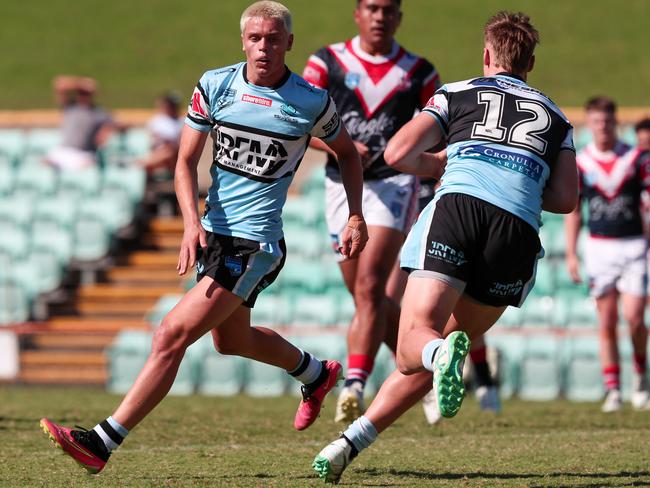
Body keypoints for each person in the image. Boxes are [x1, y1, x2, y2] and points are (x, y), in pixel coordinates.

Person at [39, 1, 368, 475]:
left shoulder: (310, 101)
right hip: (213, 235)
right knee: (230, 342)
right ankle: (316, 374)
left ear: (289, 43)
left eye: (274, 38)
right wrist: (191, 223)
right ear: (243, 41)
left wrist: (355, 215)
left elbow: (349, 154)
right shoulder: (215, 85)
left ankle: (102, 442)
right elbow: (183, 162)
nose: (264, 47)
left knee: (171, 333)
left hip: (255, 245)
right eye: (255, 38)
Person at [313, 11, 578, 483]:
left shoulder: (457, 92)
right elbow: (565, 198)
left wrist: (444, 160)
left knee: (416, 345)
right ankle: (347, 445)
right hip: (516, 233)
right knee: (439, 345)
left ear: (485, 55)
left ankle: (438, 356)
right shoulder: (557, 117)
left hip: (458, 210)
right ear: (531, 62)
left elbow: (396, 154)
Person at [302, 0, 441, 423]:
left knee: (368, 287)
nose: (380, 16)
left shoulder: (420, 72)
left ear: (399, 17)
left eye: (388, 9)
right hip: (340, 185)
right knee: (369, 299)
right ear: (357, 13)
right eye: (372, 8)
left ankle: (355, 385)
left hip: (393, 186)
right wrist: (339, 145)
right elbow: (297, 120)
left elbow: (441, 128)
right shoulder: (327, 62)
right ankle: (429, 368)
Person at [565, 97, 650, 413]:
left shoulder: (635, 159)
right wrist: (572, 254)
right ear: (589, 124)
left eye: (608, 121)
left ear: (616, 123)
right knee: (608, 320)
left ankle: (640, 372)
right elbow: (574, 212)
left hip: (633, 246)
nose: (603, 127)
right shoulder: (581, 162)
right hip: (599, 247)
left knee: (635, 318)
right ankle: (613, 389)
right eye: (597, 121)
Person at [46, 76, 116, 170]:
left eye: (86, 94)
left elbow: (108, 130)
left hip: (83, 153)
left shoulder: (99, 113)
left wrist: (102, 136)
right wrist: (80, 83)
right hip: (63, 150)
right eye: (81, 93)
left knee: (86, 169)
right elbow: (59, 84)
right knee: (41, 167)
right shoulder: (70, 107)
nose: (83, 96)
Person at [139, 92, 184, 176]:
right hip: (157, 150)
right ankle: (143, 165)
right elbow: (148, 137)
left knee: (169, 151)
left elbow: (182, 141)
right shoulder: (156, 120)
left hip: (175, 152)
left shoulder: (182, 121)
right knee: (166, 152)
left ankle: (140, 164)